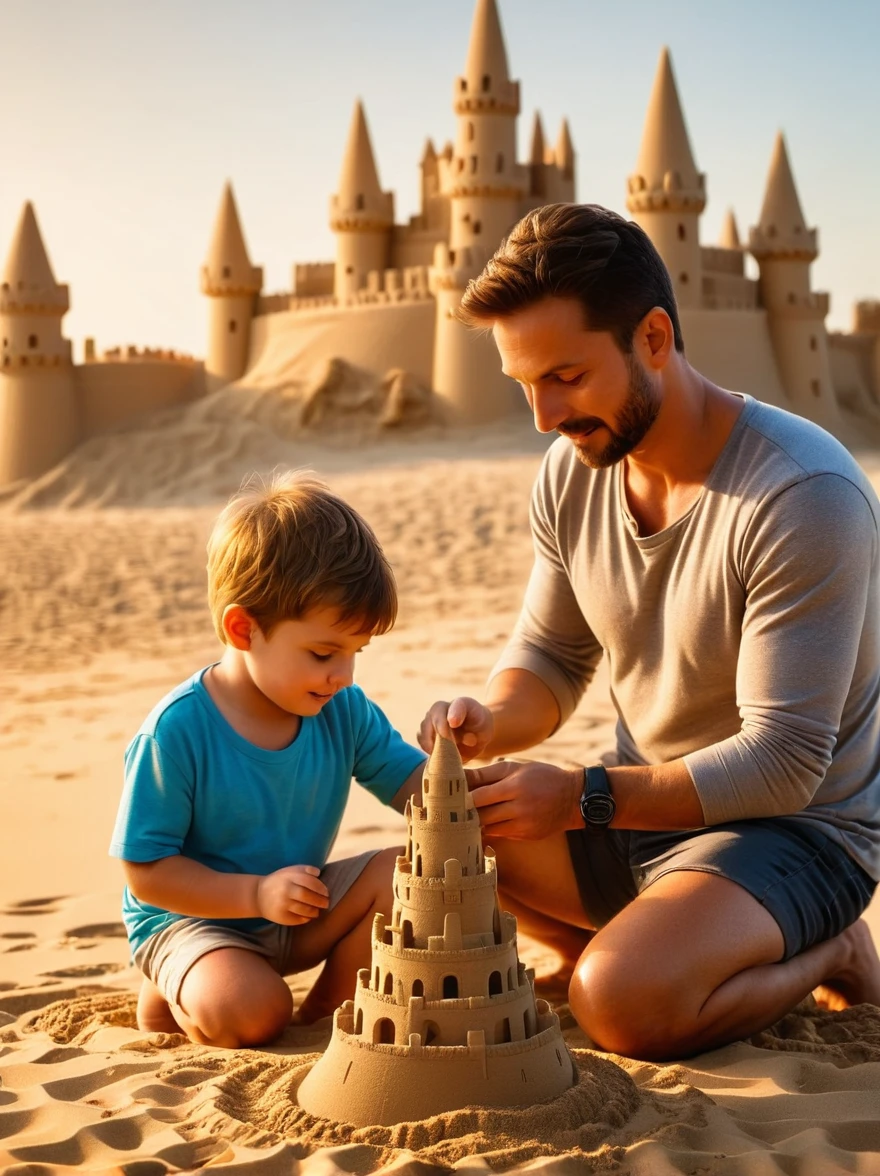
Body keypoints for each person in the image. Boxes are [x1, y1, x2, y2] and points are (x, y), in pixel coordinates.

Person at [420, 202, 880, 1061]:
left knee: (622, 1006)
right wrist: (487, 718)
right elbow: (552, 658)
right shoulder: (573, 472)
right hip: (643, 813)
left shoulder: (803, 495)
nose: (543, 415)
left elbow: (783, 764)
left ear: (655, 338)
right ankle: (637, 945)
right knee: (449, 831)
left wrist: (581, 797)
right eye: (525, 384)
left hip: (799, 832)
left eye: (566, 377)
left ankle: (831, 946)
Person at [110, 472, 437, 1048]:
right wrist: (254, 895)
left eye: (355, 653)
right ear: (244, 629)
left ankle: (323, 1017)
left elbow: (413, 785)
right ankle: (181, 985)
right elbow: (146, 871)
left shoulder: (342, 709)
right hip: (192, 918)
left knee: (408, 874)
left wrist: (452, 760)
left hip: (296, 905)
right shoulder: (178, 730)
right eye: (321, 652)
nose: (343, 675)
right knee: (253, 1011)